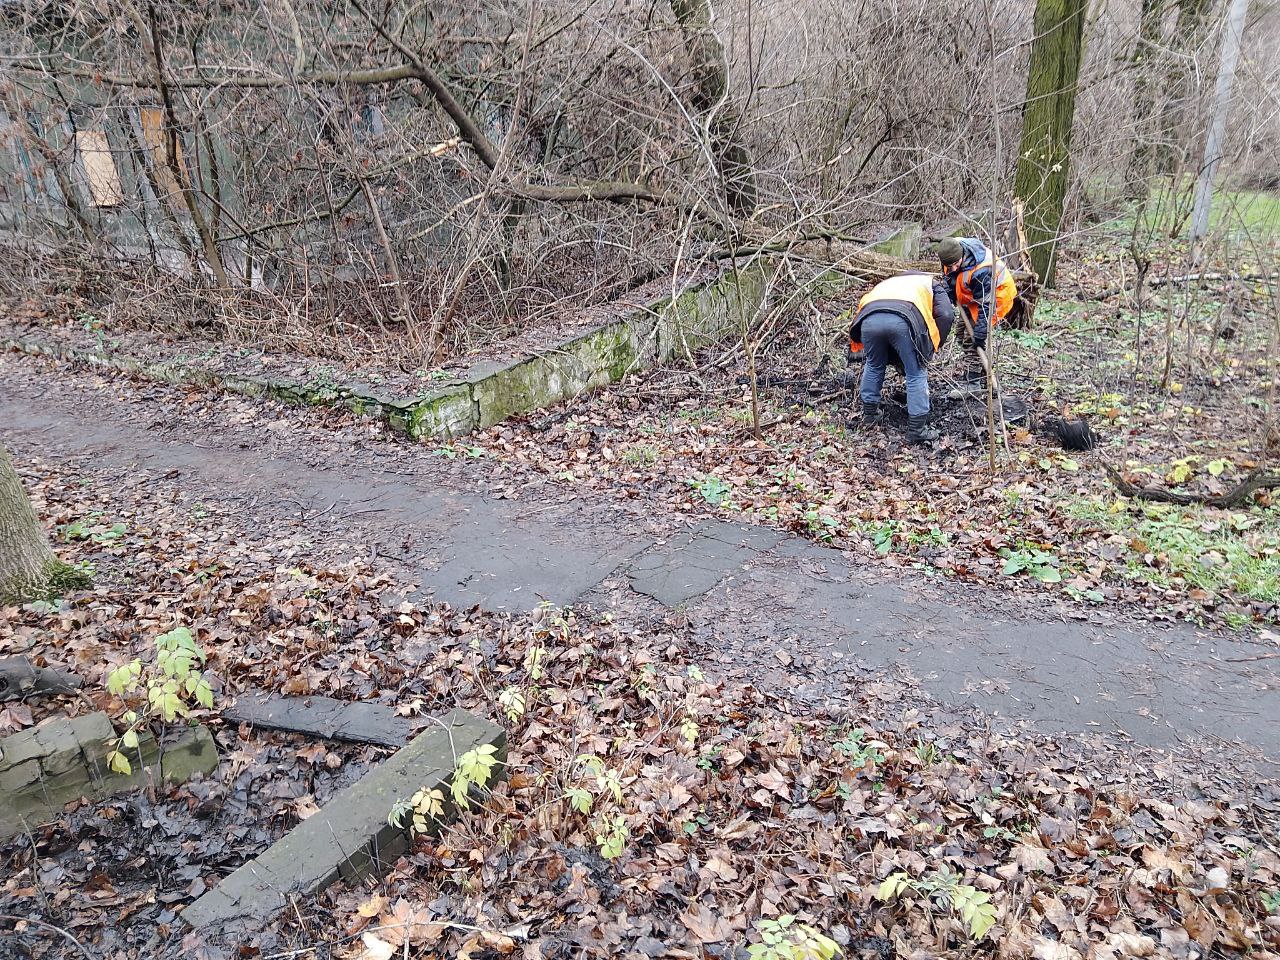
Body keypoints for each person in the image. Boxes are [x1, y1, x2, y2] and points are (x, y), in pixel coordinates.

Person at [848, 271, 955, 444]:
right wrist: (933, 345)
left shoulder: (888, 281)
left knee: (874, 365)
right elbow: (946, 314)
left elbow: (863, 306)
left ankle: (869, 415)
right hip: (903, 320)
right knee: (916, 372)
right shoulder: (931, 283)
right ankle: (917, 430)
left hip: (868, 320)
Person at [936, 237, 1018, 392]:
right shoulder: (948, 253)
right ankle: (984, 374)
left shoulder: (982, 270)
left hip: (996, 298)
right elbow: (949, 278)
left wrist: (981, 331)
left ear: (962, 256)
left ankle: (971, 383)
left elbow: (986, 305)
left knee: (973, 340)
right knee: (961, 334)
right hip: (972, 296)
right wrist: (951, 292)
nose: (952, 268)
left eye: (955, 264)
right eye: (949, 266)